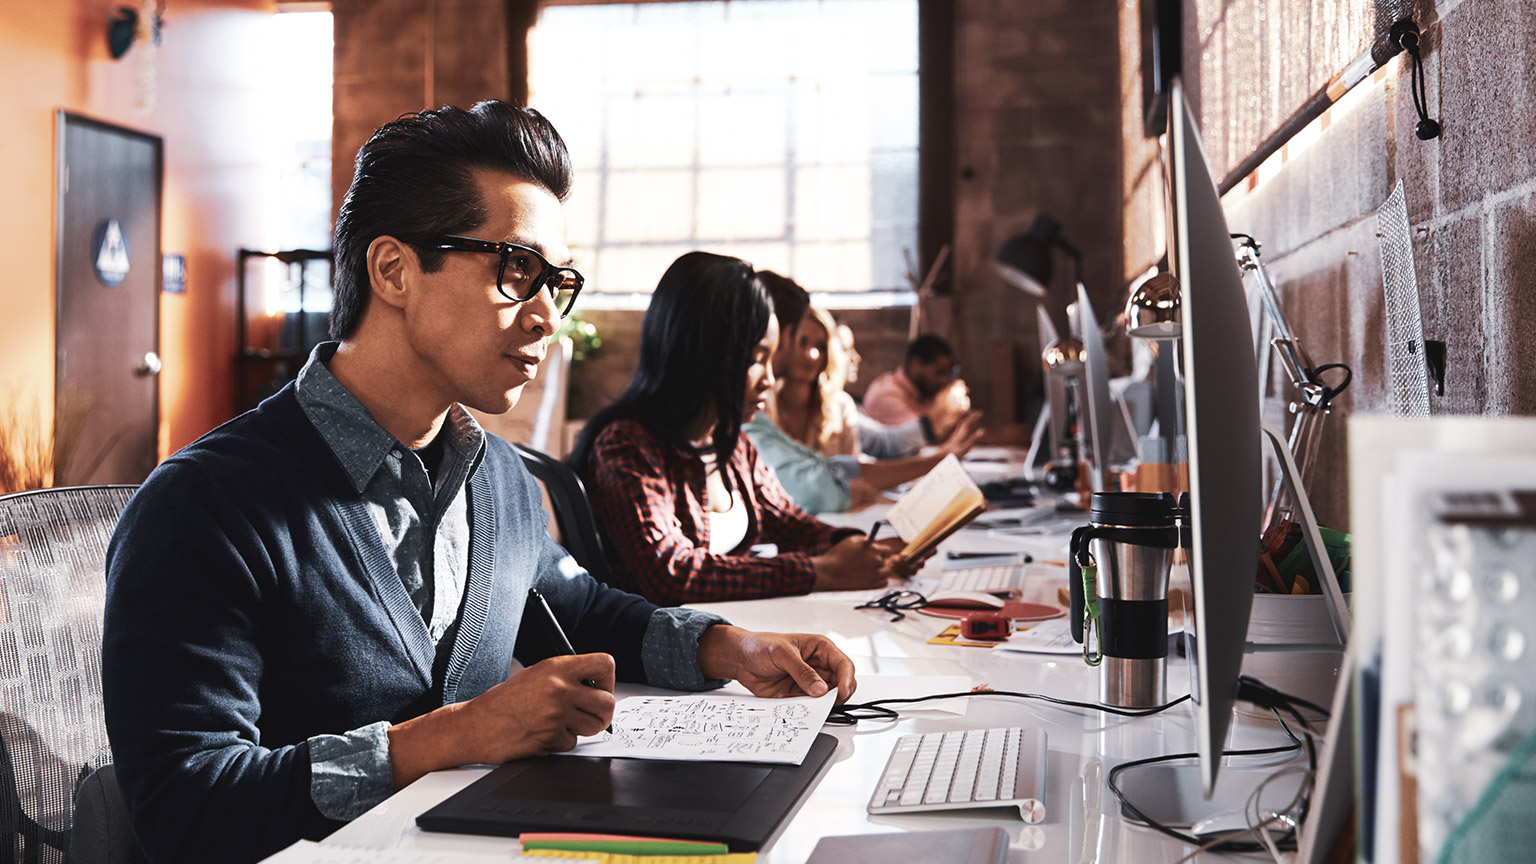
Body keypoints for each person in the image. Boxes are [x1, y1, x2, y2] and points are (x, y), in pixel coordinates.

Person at [102, 103, 857, 864]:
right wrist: (455, 735)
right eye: (516, 269)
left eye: (555, 282)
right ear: (393, 270)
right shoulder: (204, 506)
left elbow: (582, 608)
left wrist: (732, 649)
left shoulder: (495, 475)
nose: (544, 318)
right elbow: (185, 807)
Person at [570, 252, 917, 606]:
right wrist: (822, 572)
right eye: (756, 359)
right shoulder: (626, 446)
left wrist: (855, 548)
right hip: (663, 656)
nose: (768, 379)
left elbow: (789, 522)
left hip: (740, 638)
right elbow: (671, 574)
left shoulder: (730, 443)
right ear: (706, 352)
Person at [745, 305, 984, 513]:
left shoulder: (839, 406)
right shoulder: (757, 411)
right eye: (801, 342)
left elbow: (849, 471)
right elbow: (833, 480)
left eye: (820, 345)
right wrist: (936, 433)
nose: (812, 354)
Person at [862, 335, 973, 441]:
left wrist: (958, 415)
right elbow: (918, 438)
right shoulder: (885, 395)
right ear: (916, 364)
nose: (943, 380)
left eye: (947, 374)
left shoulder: (925, 391)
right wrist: (944, 408)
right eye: (939, 372)